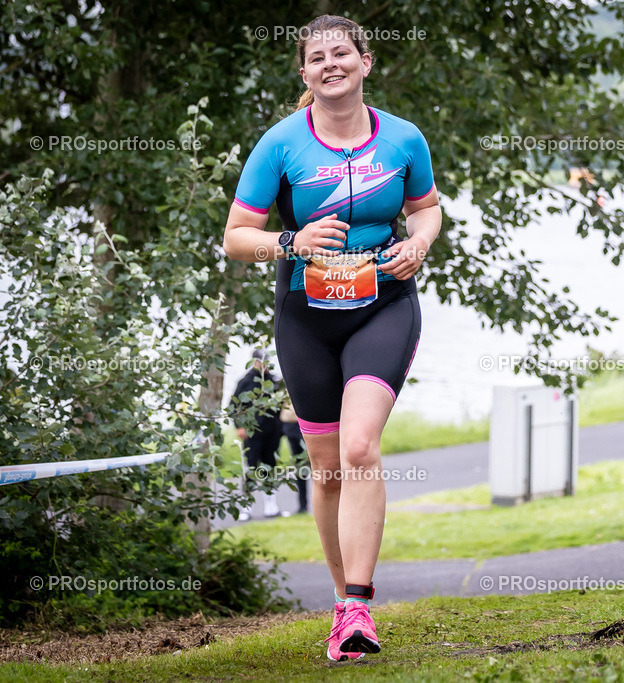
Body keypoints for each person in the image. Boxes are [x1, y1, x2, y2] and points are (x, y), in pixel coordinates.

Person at [222, 14, 441, 661]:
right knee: (325, 469)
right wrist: (290, 240)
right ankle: (342, 600)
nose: (330, 64)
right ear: (304, 74)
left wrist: (420, 242)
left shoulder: (403, 139)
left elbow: (427, 205)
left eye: (341, 53)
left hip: (384, 306)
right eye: (317, 58)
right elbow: (236, 236)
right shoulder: (281, 144)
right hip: (306, 316)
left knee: (359, 445)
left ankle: (358, 608)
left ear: (365, 62)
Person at [230, 349, 283, 521]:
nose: (264, 365)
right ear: (254, 362)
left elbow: (283, 404)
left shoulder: (274, 381)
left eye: (266, 362)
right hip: (251, 433)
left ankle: (270, 505)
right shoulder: (245, 382)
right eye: (261, 361)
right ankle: (247, 507)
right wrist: (239, 426)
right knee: (251, 469)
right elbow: (234, 406)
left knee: (269, 467)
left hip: (271, 432)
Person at [279, 400, 309, 514]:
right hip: (292, 424)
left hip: (311, 421)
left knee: (319, 467)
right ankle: (303, 505)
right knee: (300, 467)